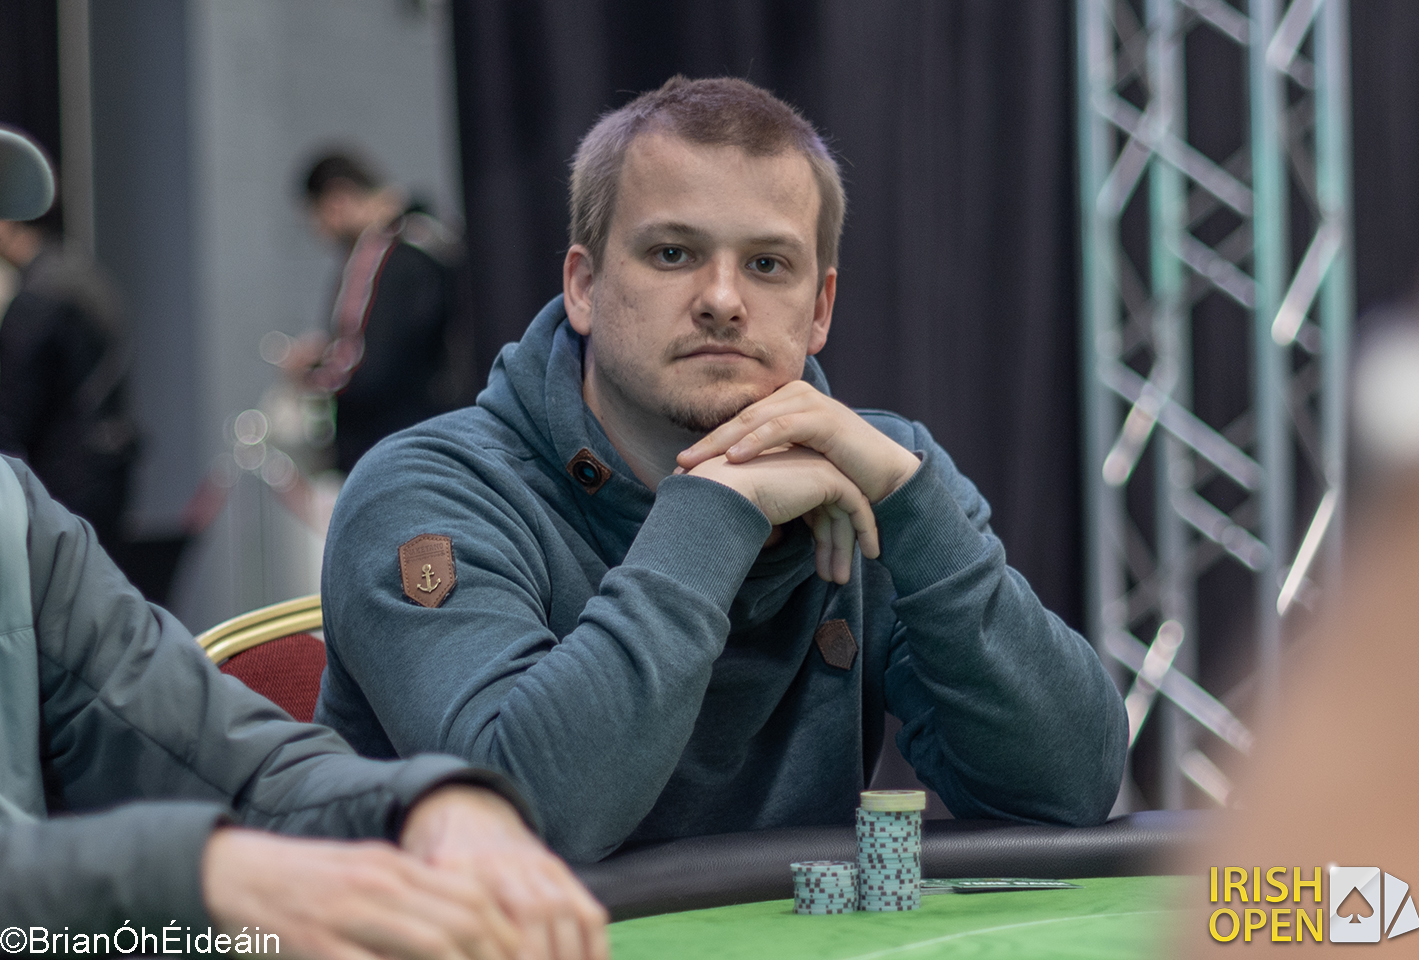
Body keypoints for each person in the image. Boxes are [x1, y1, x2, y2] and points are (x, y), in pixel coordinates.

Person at [314, 77, 1127, 864]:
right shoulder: (426, 490)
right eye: (673, 253)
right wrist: (715, 510)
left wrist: (916, 510)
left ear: (819, 309)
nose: (723, 300)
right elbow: (522, 823)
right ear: (585, 287)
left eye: (768, 265)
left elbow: (1068, 792)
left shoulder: (873, 471)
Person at [0, 127, 608, 960]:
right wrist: (198, 877)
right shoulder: (417, 273)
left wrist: (429, 806)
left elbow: (227, 760)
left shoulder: (19, 522)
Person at [288, 150, 473, 472]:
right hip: (446, 435)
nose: (321, 233)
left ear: (337, 200)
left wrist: (312, 370)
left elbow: (362, 366)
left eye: (318, 219)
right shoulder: (434, 238)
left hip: (385, 450)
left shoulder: (376, 252)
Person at [0, 211, 138, 551]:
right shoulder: (80, 273)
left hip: (64, 480)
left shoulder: (42, 293)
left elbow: (13, 411)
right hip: (105, 467)